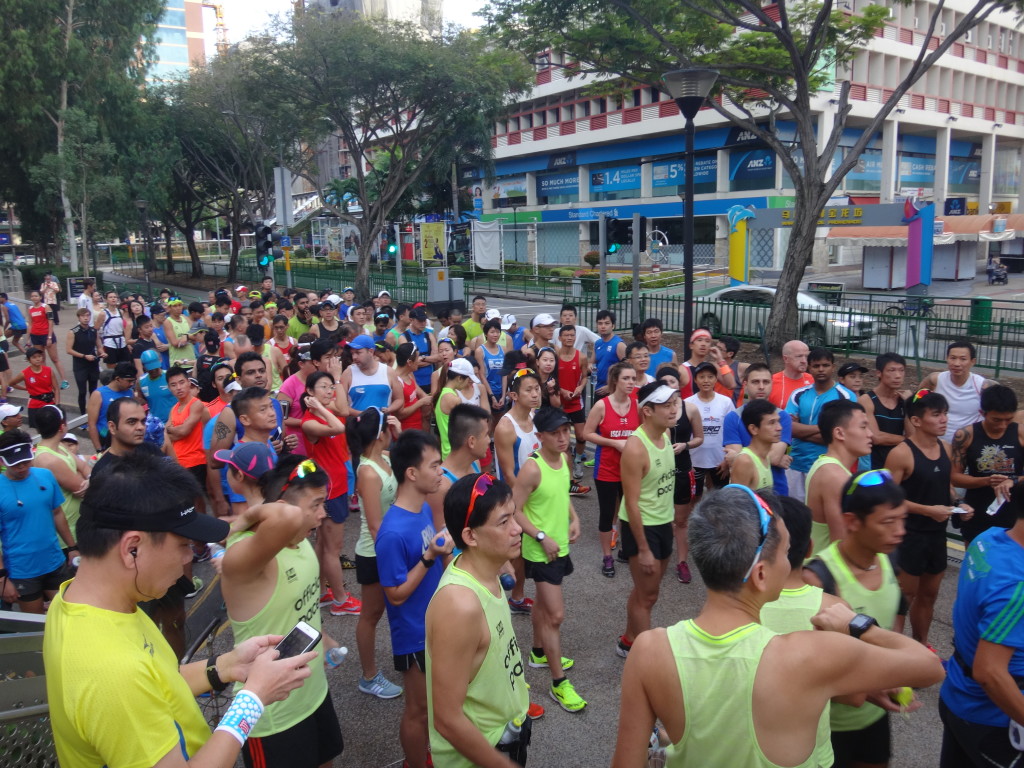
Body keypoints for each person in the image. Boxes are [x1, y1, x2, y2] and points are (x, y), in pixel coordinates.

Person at [612, 484, 945, 768]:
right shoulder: (809, 654)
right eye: (786, 553)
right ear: (760, 574)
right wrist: (858, 624)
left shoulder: (650, 649)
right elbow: (929, 667)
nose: (790, 563)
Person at [44, 450, 316, 768]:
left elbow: (157, 685)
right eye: (184, 545)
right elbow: (131, 683)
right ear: (132, 548)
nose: (189, 560)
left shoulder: (78, 602)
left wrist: (229, 665)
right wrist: (251, 700)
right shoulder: (112, 671)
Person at [220, 450, 345, 768]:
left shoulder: (301, 540)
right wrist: (249, 516)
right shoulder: (246, 558)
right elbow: (286, 517)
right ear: (282, 506)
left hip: (313, 692)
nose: (323, 514)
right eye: (315, 505)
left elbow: (296, 606)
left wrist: (324, 636)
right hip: (272, 715)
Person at [804, 470, 914, 768]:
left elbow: (890, 626)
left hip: (874, 718)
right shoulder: (818, 577)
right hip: (828, 725)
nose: (900, 531)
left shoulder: (888, 557)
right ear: (853, 522)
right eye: (888, 522)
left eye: (902, 519)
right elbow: (806, 667)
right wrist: (867, 690)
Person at [426, 473, 531, 767]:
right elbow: (447, 719)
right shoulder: (460, 605)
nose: (517, 529)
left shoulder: (489, 571)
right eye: (503, 522)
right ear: (470, 536)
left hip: (504, 736)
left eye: (514, 517)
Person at [376, 430, 455, 768]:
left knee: (437, 705)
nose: (442, 472)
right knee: (418, 710)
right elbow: (394, 595)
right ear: (411, 473)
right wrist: (428, 556)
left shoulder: (421, 508)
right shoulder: (392, 532)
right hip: (414, 635)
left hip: (436, 623)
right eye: (435, 465)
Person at [939, 482, 1024, 767]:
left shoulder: (989, 538)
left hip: (957, 696)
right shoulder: (1017, 587)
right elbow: (990, 672)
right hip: (995, 721)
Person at [759, 495, 843, 768]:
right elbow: (851, 695)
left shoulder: (741, 604)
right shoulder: (833, 609)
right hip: (811, 752)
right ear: (809, 549)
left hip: (750, 749)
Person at [886, 389, 972, 650]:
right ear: (916, 421)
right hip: (909, 535)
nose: (944, 419)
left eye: (945, 413)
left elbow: (946, 487)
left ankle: (922, 644)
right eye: (936, 414)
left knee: (929, 595)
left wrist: (958, 504)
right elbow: (888, 499)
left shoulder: (945, 448)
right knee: (903, 597)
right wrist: (927, 510)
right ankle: (896, 653)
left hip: (936, 536)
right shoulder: (901, 454)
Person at [512, 406, 585, 713]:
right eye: (555, 433)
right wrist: (542, 537)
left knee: (543, 604)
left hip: (559, 547)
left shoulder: (565, 459)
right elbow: (513, 510)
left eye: (566, 431)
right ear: (539, 437)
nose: (563, 437)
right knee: (555, 615)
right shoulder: (532, 468)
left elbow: (562, 494)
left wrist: (574, 517)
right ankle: (559, 683)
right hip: (541, 550)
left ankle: (539, 652)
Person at [616, 382, 679, 658]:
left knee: (647, 592)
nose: (674, 409)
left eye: (674, 403)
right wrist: (642, 548)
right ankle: (644, 658)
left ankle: (629, 640)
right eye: (666, 405)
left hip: (663, 523)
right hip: (641, 527)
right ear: (647, 411)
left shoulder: (665, 435)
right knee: (647, 595)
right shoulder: (635, 448)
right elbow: (631, 502)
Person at [347, 407, 405, 700]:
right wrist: (397, 552)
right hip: (375, 552)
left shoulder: (384, 457)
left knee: (394, 608)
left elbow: (411, 462)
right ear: (379, 433)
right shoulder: (368, 471)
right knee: (371, 614)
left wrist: (399, 435)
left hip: (390, 546)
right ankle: (369, 677)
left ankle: (403, 659)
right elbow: (373, 524)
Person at [300, 371, 361, 617]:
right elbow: (337, 425)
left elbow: (344, 411)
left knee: (324, 544)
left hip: (337, 483)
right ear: (310, 393)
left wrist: (337, 378)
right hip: (329, 488)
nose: (329, 392)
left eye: (330, 387)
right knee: (332, 549)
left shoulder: (330, 409)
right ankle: (340, 599)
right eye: (323, 388)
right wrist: (318, 407)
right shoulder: (309, 422)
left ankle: (323, 591)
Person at [0, 429, 76, 613]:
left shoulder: (45, 476)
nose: (22, 467)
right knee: (36, 626)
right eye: (16, 463)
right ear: (2, 461)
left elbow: (57, 513)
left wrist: (72, 548)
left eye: (26, 461)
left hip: (54, 562)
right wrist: (2, 578)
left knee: (68, 613)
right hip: (21, 571)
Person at [582, 361, 639, 578]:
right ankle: (607, 557)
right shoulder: (602, 405)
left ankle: (626, 550)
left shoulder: (637, 405)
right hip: (607, 468)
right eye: (626, 378)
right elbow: (587, 434)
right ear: (615, 380)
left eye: (633, 378)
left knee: (631, 510)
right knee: (607, 514)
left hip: (631, 469)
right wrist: (615, 443)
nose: (630, 382)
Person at [652, 366, 705, 585]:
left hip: (683, 469)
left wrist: (685, 445)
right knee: (658, 516)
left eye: (672, 382)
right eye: (663, 383)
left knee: (681, 521)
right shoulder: (651, 410)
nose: (668, 386)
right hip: (658, 471)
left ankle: (682, 562)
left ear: (678, 385)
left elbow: (700, 438)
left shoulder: (690, 409)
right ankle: (656, 556)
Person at [952, 384, 1024, 544]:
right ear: (982, 413)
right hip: (977, 512)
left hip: (1014, 514)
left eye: (1008, 420)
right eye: (996, 420)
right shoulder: (965, 435)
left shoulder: (1020, 432)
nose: (1002, 426)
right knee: (977, 563)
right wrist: (986, 481)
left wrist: (1013, 480)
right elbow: (954, 477)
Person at [786, 347, 857, 501]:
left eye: (825, 365)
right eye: (816, 366)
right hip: (796, 464)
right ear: (809, 368)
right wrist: (825, 428)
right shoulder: (798, 394)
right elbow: (789, 428)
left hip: (830, 467)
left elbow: (842, 437)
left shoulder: (845, 396)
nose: (821, 369)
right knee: (795, 516)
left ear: (833, 367)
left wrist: (801, 431)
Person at [805, 400, 874, 557]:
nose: (870, 434)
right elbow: (842, 544)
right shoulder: (835, 476)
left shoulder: (827, 466)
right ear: (839, 433)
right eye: (863, 427)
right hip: (827, 576)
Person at [723, 362, 793, 495]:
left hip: (777, 491)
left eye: (766, 382)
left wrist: (739, 456)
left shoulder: (782, 417)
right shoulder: (733, 418)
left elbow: (774, 457)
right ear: (745, 384)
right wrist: (775, 458)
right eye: (755, 382)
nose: (761, 387)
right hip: (747, 492)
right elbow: (772, 458)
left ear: (772, 384)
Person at [920, 340, 993, 442]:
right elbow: (918, 399)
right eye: (953, 358)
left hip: (969, 444)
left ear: (973, 361)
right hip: (938, 443)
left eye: (963, 359)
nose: (957, 364)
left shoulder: (983, 386)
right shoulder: (935, 380)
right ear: (947, 359)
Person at [684, 361, 735, 502]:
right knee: (694, 497)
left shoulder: (726, 402)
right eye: (702, 377)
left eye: (710, 376)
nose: (706, 380)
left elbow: (731, 432)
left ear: (716, 379)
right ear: (695, 380)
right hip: (695, 461)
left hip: (719, 461)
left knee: (720, 498)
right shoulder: (687, 403)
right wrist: (687, 462)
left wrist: (726, 460)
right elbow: (684, 433)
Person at [33, 407, 89, 536]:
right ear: (62, 426)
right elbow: (82, 490)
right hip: (68, 532)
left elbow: (85, 468)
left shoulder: (60, 445)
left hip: (77, 524)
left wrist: (88, 476)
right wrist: (85, 477)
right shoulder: (49, 459)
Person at [166, 366, 210, 511]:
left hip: (195, 460)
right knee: (187, 503)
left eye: (181, 382)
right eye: (173, 385)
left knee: (196, 501)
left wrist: (173, 430)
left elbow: (184, 431)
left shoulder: (195, 404)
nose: (178, 387)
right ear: (169, 388)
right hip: (179, 461)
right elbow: (167, 434)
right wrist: (174, 431)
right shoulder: (174, 408)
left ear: (188, 383)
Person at [859, 352, 911, 470]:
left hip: (900, 464)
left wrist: (910, 406)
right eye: (891, 370)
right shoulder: (866, 400)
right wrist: (908, 441)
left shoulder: (905, 400)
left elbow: (913, 435)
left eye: (901, 370)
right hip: (874, 465)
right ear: (879, 373)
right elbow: (876, 437)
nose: (897, 375)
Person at [337, 334, 403, 418]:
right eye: (352, 353)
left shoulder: (388, 371)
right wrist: (364, 415)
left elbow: (399, 399)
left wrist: (388, 410)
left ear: (371, 352)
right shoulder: (348, 373)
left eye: (358, 353)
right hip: (357, 427)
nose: (354, 357)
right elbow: (341, 406)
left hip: (382, 427)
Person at [556, 325, 590, 485]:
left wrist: (580, 388)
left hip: (576, 401)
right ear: (560, 338)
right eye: (566, 335)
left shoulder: (582, 357)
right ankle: (563, 465)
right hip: (559, 402)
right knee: (561, 436)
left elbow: (584, 377)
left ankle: (577, 461)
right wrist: (561, 390)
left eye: (572, 335)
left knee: (581, 436)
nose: (569, 338)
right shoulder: (555, 355)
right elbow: (550, 377)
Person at [730, 399, 782, 492]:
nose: (779, 428)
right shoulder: (745, 461)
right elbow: (736, 504)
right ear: (753, 429)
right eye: (771, 423)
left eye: (778, 421)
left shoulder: (765, 457)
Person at [85, 361, 136, 450]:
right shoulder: (99, 394)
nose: (131, 384)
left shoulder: (130, 393)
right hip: (106, 440)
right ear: (117, 379)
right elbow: (92, 424)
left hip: (126, 440)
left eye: (133, 381)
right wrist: (98, 449)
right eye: (129, 381)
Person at [91, 398, 147, 475]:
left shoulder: (150, 450)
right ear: (112, 427)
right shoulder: (103, 470)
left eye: (143, 421)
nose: (141, 427)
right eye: (132, 422)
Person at [9, 346, 59, 430]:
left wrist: (57, 405)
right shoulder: (24, 373)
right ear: (29, 360)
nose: (38, 359)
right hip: (35, 404)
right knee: (39, 429)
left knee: (53, 428)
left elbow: (56, 388)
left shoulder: (49, 370)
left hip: (49, 402)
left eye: (39, 356)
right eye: (34, 357)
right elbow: (12, 383)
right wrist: (26, 388)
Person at [66, 307, 102, 413]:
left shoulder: (93, 331)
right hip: (80, 365)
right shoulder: (73, 332)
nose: (86, 318)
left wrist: (102, 352)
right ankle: (82, 413)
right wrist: (83, 356)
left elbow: (99, 345)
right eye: (83, 316)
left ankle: (93, 412)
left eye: (88, 316)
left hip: (93, 363)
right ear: (79, 317)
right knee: (82, 391)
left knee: (93, 390)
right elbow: (68, 350)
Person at [138, 349, 178, 426]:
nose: (153, 371)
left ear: (160, 360)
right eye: (150, 369)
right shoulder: (141, 382)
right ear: (144, 366)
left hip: (174, 421)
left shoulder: (170, 376)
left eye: (155, 367)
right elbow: (141, 403)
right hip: (156, 425)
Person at [769, 339, 813, 409]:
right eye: (799, 356)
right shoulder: (771, 382)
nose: (804, 361)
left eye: (806, 356)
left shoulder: (814, 381)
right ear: (786, 359)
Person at [476, 318, 507, 415]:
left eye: (498, 332)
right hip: (487, 392)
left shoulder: (504, 350)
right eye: (492, 332)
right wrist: (491, 396)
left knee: (498, 422)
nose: (495, 335)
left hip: (500, 392)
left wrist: (503, 395)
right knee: (487, 423)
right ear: (486, 334)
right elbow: (481, 375)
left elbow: (504, 374)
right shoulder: (480, 351)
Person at [593, 309, 626, 394]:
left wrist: (611, 386)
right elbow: (592, 363)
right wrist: (590, 366)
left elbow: (628, 369)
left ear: (613, 326)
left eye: (607, 323)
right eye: (600, 323)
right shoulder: (597, 343)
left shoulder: (619, 345)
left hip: (614, 391)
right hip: (599, 389)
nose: (603, 326)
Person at [96, 290, 130, 367]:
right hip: (109, 342)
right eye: (110, 297)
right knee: (112, 367)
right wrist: (99, 345)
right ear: (106, 300)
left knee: (125, 365)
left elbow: (123, 328)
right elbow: (96, 329)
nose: (113, 299)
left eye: (115, 297)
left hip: (121, 341)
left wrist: (126, 342)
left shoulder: (121, 312)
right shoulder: (103, 313)